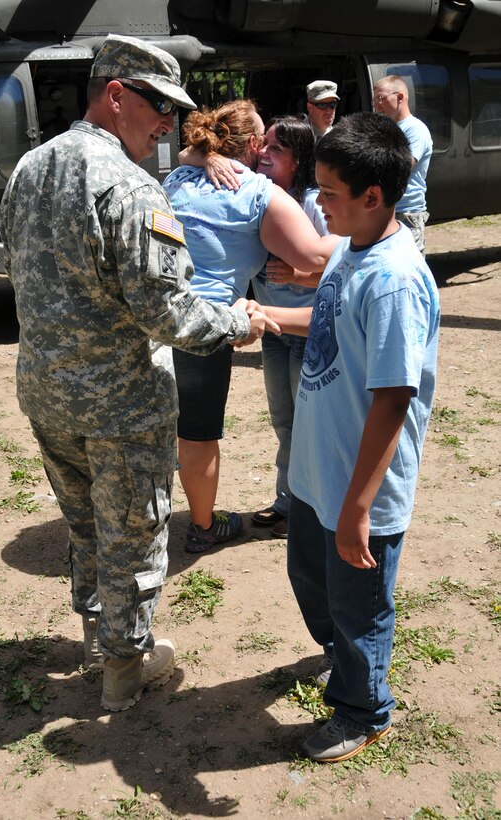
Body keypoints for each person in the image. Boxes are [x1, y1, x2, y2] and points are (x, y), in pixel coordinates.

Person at [0, 34, 276, 713]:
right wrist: (241, 320)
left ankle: (99, 634)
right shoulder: (127, 184)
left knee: (87, 527)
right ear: (115, 94)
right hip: (119, 404)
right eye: (158, 104)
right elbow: (171, 315)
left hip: (47, 391)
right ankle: (126, 666)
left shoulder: (30, 167)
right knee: (133, 531)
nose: (168, 122)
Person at [268, 111, 439, 762]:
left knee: (359, 604)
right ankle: (341, 660)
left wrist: (359, 509)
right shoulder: (351, 248)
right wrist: (269, 319)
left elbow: (394, 397)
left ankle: (363, 711)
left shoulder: (394, 279)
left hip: (357, 492)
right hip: (318, 473)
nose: (317, 203)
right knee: (310, 578)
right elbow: (327, 318)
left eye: (329, 193)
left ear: (374, 197)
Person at [163, 100, 338, 554]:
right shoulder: (258, 192)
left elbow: (186, 155)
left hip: (153, 318)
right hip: (203, 327)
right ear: (254, 143)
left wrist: (204, 156)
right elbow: (317, 258)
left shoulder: (178, 177)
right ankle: (203, 527)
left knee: (154, 426)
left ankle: (142, 520)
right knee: (197, 434)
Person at [250, 116, 329, 539]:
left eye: (275, 149)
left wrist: (298, 277)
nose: (263, 152)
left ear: (298, 161)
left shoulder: (313, 203)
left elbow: (340, 267)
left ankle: (309, 509)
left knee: (306, 422)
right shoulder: (258, 194)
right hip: (273, 332)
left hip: (304, 331)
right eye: (263, 144)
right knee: (284, 421)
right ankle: (288, 502)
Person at [373, 75, 433, 255]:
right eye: (374, 100)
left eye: (381, 98)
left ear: (399, 97)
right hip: (385, 212)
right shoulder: (386, 130)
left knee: (408, 271)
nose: (376, 105)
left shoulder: (415, 129)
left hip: (406, 214)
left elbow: (401, 166)